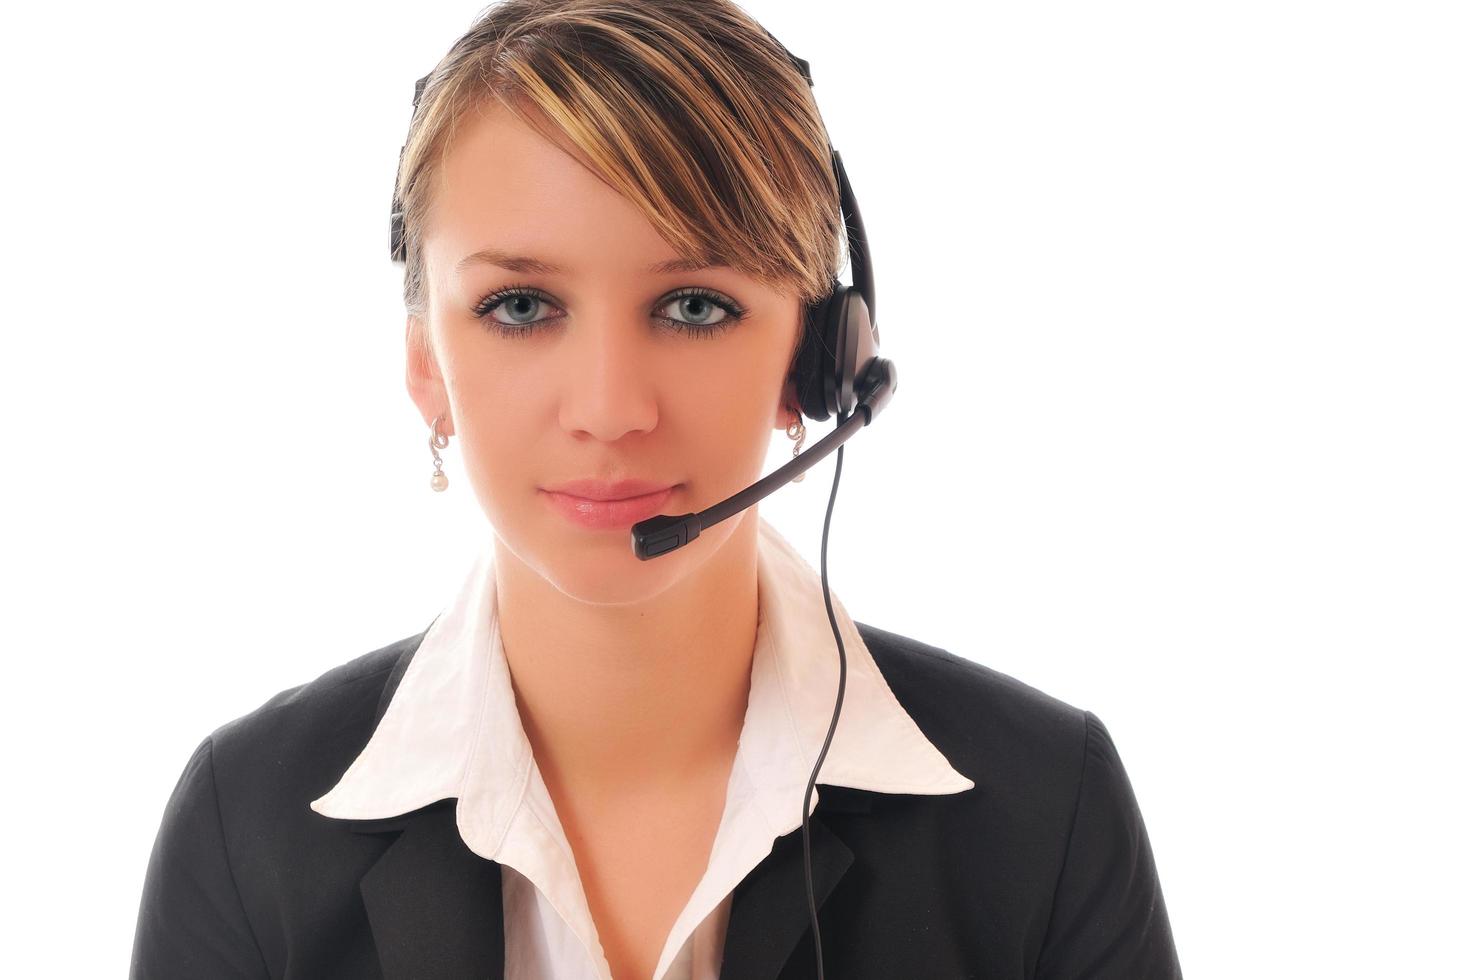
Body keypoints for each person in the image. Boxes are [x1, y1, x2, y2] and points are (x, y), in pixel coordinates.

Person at [129, 1, 1182, 978]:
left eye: (691, 305)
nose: (608, 407)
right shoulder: (248, 829)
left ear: (815, 361)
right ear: (423, 366)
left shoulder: (1049, 812)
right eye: (522, 305)